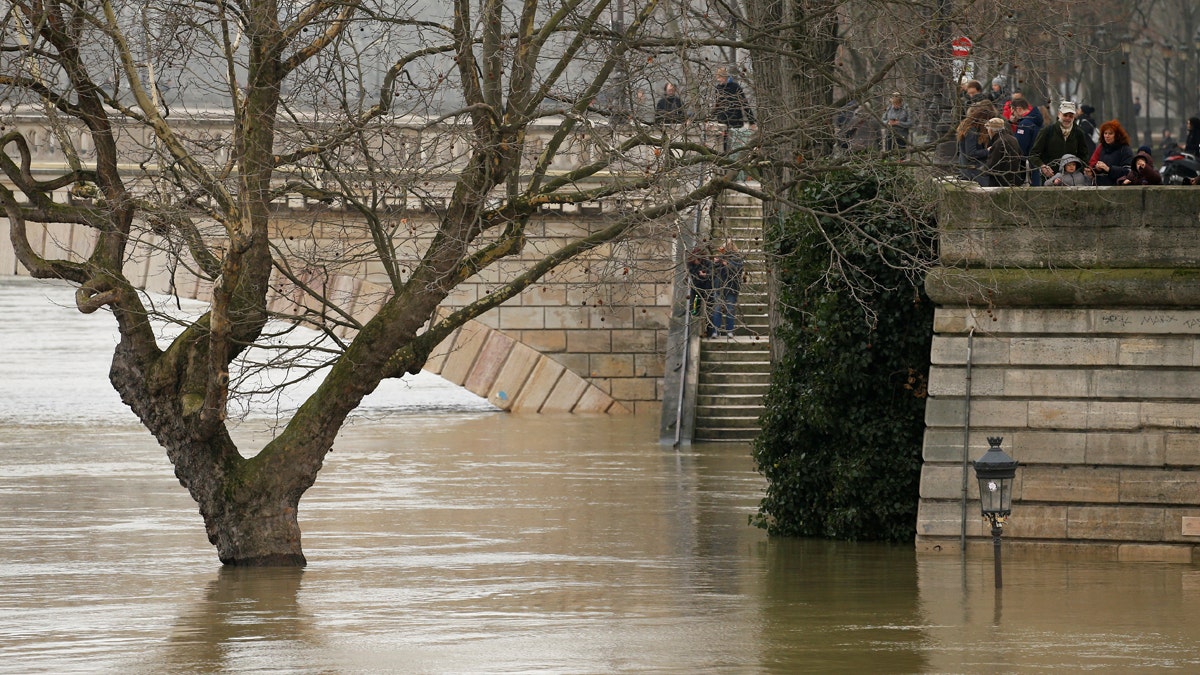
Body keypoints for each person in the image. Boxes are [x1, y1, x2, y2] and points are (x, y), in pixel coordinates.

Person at [1030, 101, 1091, 185]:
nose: (1068, 118)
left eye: (1071, 116)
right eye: (1065, 115)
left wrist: (1081, 170)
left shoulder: (1078, 133)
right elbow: (1033, 154)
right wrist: (1043, 166)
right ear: (1059, 114)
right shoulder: (1047, 131)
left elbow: (1084, 155)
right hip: (1050, 179)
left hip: (1072, 182)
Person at [712, 67, 755, 152]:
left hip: (735, 120)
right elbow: (717, 105)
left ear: (724, 77)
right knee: (723, 144)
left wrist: (751, 122)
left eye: (719, 78)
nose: (719, 80)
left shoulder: (735, 87)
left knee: (735, 145)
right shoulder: (718, 88)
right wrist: (710, 117)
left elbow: (744, 104)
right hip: (723, 121)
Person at [956, 101, 996, 185]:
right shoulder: (971, 131)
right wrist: (987, 151)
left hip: (972, 169)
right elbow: (971, 153)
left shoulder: (971, 129)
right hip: (973, 171)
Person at [709, 240, 743, 338]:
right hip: (719, 286)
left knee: (730, 309)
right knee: (717, 309)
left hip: (731, 286)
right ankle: (715, 331)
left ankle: (730, 330)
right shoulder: (720, 257)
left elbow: (737, 271)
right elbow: (713, 271)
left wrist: (726, 264)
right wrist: (716, 263)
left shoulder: (737, 258)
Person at [1087, 120, 1134, 186]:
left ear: (1117, 135)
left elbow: (1128, 170)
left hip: (1117, 186)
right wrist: (1097, 168)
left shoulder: (1125, 149)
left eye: (1110, 134)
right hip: (1100, 186)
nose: (1107, 136)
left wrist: (1109, 169)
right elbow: (1093, 163)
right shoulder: (1102, 147)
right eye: (1105, 133)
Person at [1010, 98, 1044, 186]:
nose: (1012, 115)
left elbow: (1020, 147)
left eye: (1013, 112)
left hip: (1029, 164)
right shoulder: (1036, 121)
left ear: (1018, 109)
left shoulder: (1024, 125)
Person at [984, 117, 1024, 187]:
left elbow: (992, 167)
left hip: (1000, 182)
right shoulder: (1013, 139)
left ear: (991, 130)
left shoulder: (998, 143)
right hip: (1014, 180)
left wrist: (981, 169)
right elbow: (1020, 157)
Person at [687, 244, 716, 336]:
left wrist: (705, 275)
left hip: (708, 289)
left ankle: (710, 331)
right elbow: (691, 273)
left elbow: (712, 273)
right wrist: (697, 273)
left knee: (709, 310)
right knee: (695, 308)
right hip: (696, 289)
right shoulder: (691, 264)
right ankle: (694, 330)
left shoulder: (707, 263)